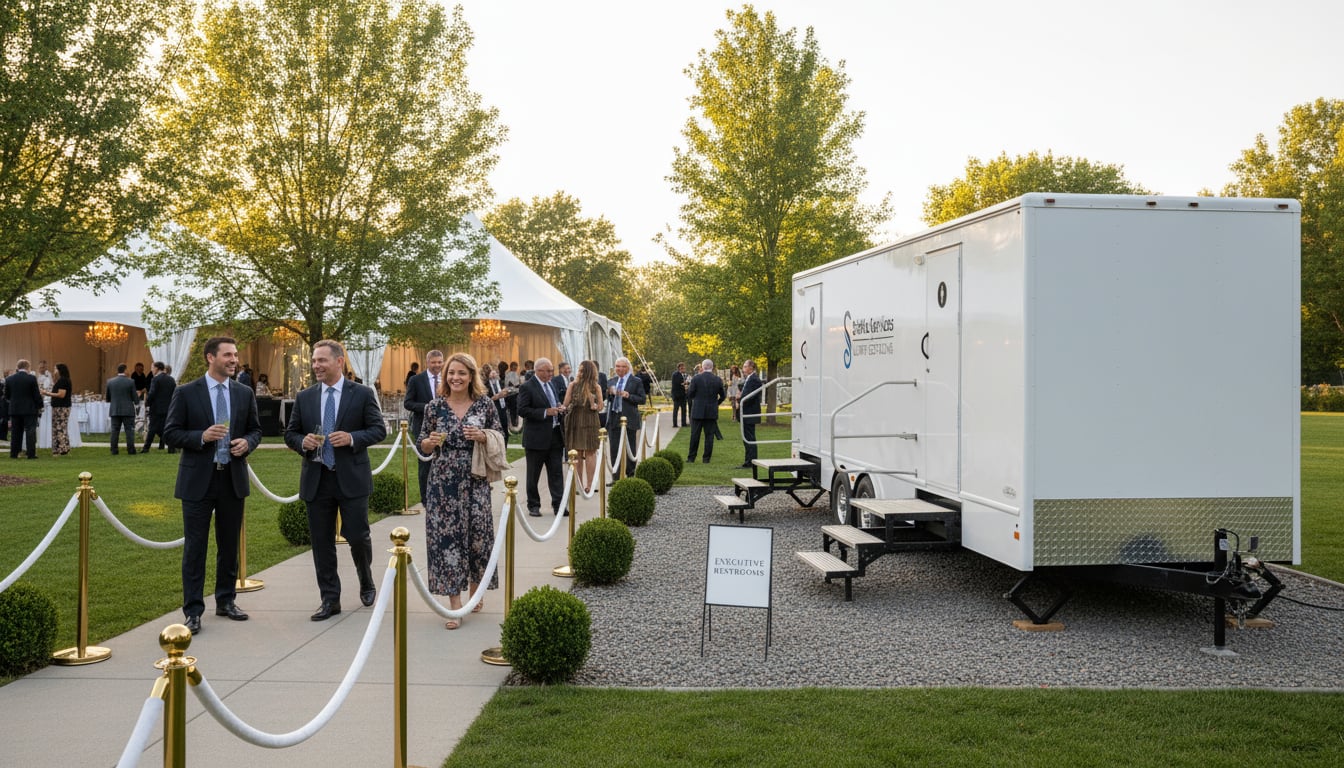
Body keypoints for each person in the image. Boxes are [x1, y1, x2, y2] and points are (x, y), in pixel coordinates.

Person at [163, 337, 263, 634]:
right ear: (210, 357)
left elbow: (257, 430)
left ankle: (226, 600)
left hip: (232, 478)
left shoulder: (244, 393)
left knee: (229, 545)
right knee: (195, 547)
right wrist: (200, 437)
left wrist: (248, 443)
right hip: (197, 481)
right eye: (228, 355)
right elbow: (170, 433)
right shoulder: (186, 393)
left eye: (235, 354)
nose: (234, 360)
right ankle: (193, 611)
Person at [285, 339, 387, 620]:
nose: (316, 365)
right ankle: (330, 599)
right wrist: (301, 441)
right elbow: (290, 433)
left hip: (351, 478)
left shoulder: (362, 394)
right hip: (317, 480)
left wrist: (353, 438)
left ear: (339, 362)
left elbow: (379, 430)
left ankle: (366, 580)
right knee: (321, 543)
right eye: (314, 361)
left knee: (357, 536)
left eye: (322, 361)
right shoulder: (305, 397)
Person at [418, 352, 501, 629]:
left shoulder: (485, 405)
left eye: (462, 373)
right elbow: (422, 444)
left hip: (476, 479)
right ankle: (454, 606)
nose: (456, 378)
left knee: (479, 537)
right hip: (443, 481)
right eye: (451, 373)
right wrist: (429, 443)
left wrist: (483, 436)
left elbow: (500, 434)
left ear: (471, 376)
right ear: (445, 376)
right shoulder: (434, 407)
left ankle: (475, 591)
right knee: (448, 541)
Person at [517, 357, 566, 517]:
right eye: (548, 371)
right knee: (533, 474)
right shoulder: (527, 387)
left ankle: (559, 505)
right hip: (536, 439)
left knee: (557, 473)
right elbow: (522, 410)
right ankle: (533, 505)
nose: (551, 373)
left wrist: (559, 407)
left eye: (552, 370)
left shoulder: (551, 384)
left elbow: (553, 401)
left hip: (555, 436)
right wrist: (545, 412)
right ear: (539, 371)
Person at [404, 350, 444, 505]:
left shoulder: (447, 379)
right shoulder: (416, 380)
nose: (437, 365)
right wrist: (428, 407)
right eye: (434, 362)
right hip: (423, 428)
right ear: (427, 362)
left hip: (445, 428)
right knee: (425, 464)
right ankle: (426, 499)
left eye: (439, 362)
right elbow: (408, 403)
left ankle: (441, 495)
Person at [563, 360, 603, 492]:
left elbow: (600, 407)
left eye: (582, 370)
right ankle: (579, 484)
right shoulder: (572, 385)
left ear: (589, 372)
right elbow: (566, 403)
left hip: (590, 420)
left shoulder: (596, 387)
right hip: (576, 420)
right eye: (579, 370)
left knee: (591, 452)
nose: (579, 372)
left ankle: (590, 485)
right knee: (577, 453)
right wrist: (563, 407)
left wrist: (594, 404)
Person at [606, 357, 646, 478]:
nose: (620, 369)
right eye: (617, 366)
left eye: (623, 366)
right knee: (614, 448)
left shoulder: (636, 381)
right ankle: (616, 477)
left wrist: (628, 395)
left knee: (630, 448)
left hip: (629, 419)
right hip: (614, 418)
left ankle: (631, 474)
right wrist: (609, 393)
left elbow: (642, 399)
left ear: (628, 368)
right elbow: (607, 399)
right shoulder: (611, 381)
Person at [686, 359, 726, 463]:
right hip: (711, 411)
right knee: (709, 436)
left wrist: (696, 398)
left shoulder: (696, 378)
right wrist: (716, 403)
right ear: (712, 367)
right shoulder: (717, 379)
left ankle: (691, 458)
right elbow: (723, 395)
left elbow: (690, 394)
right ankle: (706, 458)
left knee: (695, 435)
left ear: (702, 367)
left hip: (698, 410)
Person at [5, 360, 42, 459]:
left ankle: (14, 453)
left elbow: (7, 396)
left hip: (15, 409)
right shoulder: (31, 378)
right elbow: (36, 395)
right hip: (29, 409)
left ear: (17, 367)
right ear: (28, 367)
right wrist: (40, 405)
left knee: (15, 432)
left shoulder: (9, 379)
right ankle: (31, 454)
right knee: (30, 431)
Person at [142, 361, 176, 453]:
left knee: (152, 428)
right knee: (165, 428)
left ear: (157, 368)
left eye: (152, 368)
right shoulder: (171, 379)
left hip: (156, 408)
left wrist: (147, 403)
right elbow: (174, 394)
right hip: (168, 408)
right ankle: (171, 447)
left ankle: (146, 448)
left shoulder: (155, 379)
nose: (151, 370)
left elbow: (152, 393)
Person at [106, 363, 138, 455]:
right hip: (128, 410)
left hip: (115, 409)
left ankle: (114, 450)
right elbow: (135, 398)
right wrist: (136, 399)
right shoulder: (131, 382)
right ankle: (131, 450)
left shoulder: (110, 382)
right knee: (129, 431)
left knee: (115, 431)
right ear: (125, 370)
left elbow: (108, 398)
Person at [43, 363, 73, 456]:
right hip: (60, 407)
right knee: (59, 427)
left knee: (60, 428)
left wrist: (47, 393)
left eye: (55, 369)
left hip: (61, 407)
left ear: (60, 370)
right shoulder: (62, 380)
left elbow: (61, 394)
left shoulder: (63, 380)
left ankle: (62, 449)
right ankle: (61, 448)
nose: (54, 371)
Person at [738, 359, 763, 468]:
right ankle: (748, 460)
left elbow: (749, 396)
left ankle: (751, 461)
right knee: (747, 437)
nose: (743, 369)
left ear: (751, 368)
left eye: (744, 366)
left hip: (750, 412)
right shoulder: (749, 379)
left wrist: (740, 399)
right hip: (746, 412)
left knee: (750, 438)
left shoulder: (754, 380)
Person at [484, 366, 511, 444]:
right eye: (492, 373)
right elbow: (486, 400)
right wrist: (497, 396)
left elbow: (505, 394)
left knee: (505, 429)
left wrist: (507, 393)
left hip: (503, 408)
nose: (494, 374)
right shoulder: (485, 385)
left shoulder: (500, 383)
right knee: (496, 430)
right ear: (488, 374)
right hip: (494, 409)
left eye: (495, 372)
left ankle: (504, 447)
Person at [670, 362, 688, 428]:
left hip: (683, 395)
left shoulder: (684, 374)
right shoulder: (675, 374)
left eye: (684, 367)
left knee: (684, 410)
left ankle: (684, 423)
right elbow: (678, 383)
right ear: (679, 368)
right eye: (682, 367)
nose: (683, 368)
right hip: (677, 395)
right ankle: (675, 424)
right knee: (676, 410)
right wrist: (685, 383)